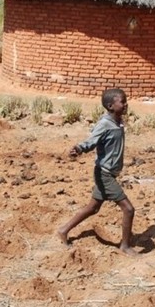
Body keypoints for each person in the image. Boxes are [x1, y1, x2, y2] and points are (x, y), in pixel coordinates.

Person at [56, 88, 138, 256]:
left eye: (126, 101)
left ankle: (63, 230)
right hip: (104, 174)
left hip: (109, 173)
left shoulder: (118, 120)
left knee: (93, 208)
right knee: (128, 209)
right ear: (110, 106)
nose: (126, 104)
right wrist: (79, 148)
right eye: (122, 102)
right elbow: (92, 140)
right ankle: (125, 246)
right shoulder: (105, 124)